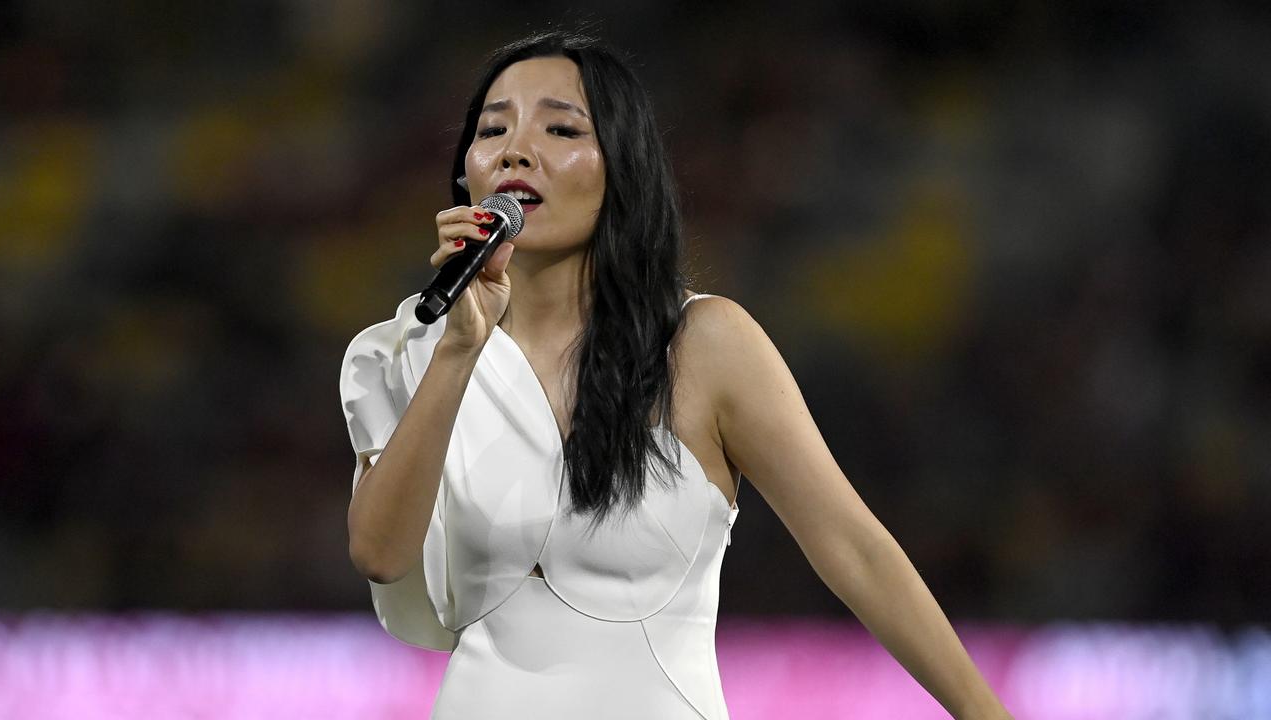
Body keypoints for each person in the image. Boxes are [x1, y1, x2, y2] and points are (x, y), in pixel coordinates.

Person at [340, 31, 1012, 720]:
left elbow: (856, 550)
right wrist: (457, 351)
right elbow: (381, 554)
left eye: (561, 127)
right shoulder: (406, 353)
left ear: (621, 168)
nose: (515, 149)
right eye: (492, 129)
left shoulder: (704, 346)